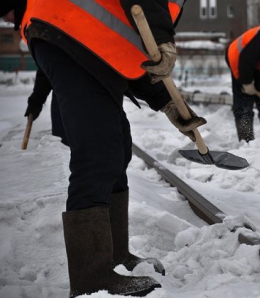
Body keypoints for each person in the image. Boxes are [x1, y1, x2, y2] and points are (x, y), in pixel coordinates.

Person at [1, 0, 206, 297]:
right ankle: (91, 276)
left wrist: (168, 102)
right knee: (97, 154)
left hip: (86, 43)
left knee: (117, 149)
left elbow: (127, 49)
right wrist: (163, 39)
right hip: (67, 32)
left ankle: (113, 254)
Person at [24, 67, 68, 145]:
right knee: (62, 145)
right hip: (63, 101)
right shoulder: (56, 56)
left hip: (88, 101)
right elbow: (46, 73)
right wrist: (36, 102)